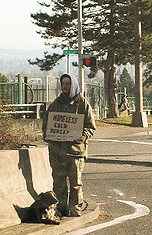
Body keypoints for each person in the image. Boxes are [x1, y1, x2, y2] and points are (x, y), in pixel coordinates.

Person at [42, 74, 96, 217]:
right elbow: (46, 125)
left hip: (75, 152)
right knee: (58, 183)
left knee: (75, 184)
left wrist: (82, 136)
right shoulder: (55, 104)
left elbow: (91, 127)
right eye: (63, 84)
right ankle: (61, 208)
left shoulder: (83, 104)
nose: (65, 87)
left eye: (68, 84)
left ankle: (75, 208)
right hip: (57, 152)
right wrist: (49, 136)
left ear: (74, 85)